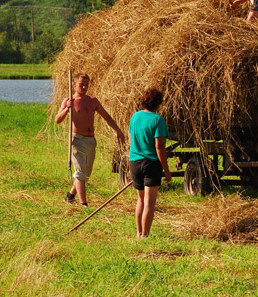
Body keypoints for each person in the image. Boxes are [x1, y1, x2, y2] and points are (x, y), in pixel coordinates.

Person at [55, 73, 126, 206]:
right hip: (77, 141)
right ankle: (84, 204)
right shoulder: (68, 100)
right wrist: (66, 109)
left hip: (90, 141)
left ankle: (70, 196)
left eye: (86, 84)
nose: (84, 87)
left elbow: (107, 117)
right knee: (81, 174)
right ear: (75, 84)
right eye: (81, 84)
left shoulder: (93, 101)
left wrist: (118, 131)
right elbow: (57, 120)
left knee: (85, 175)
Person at [128, 87, 172, 238]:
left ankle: (138, 232)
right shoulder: (158, 120)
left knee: (140, 199)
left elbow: (130, 140)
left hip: (134, 161)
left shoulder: (135, 117)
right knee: (149, 202)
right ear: (159, 103)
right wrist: (166, 169)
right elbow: (159, 147)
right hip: (150, 163)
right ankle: (145, 235)